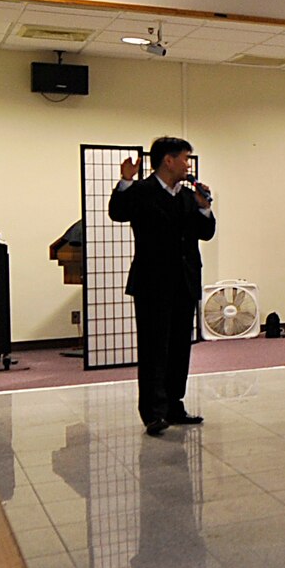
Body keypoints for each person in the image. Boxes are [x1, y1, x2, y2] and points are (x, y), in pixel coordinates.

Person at [109, 137, 216, 435]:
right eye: (184, 158)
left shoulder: (187, 196)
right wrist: (125, 180)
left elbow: (205, 233)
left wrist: (204, 208)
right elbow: (117, 212)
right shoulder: (142, 191)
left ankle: (174, 405)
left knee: (180, 347)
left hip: (184, 281)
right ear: (167, 160)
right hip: (152, 282)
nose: (187, 164)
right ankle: (154, 412)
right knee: (154, 347)